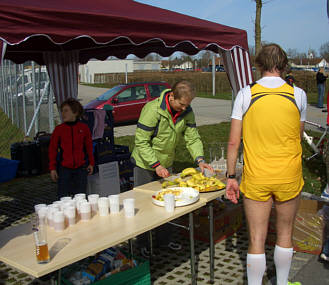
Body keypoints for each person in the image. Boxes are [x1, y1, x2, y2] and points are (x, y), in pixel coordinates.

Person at [226, 43, 307, 285]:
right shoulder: (299, 94)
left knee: (256, 238)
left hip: (257, 177)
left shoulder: (245, 93)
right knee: (285, 234)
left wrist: (231, 176)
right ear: (283, 65)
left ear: (258, 64)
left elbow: (233, 142)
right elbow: (297, 135)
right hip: (289, 176)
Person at [131, 80, 213, 257]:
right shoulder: (152, 110)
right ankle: (143, 243)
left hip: (166, 163)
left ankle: (164, 240)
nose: (184, 108)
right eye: (182, 104)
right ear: (172, 96)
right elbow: (141, 142)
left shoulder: (187, 111)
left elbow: (192, 138)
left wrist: (199, 159)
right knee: (144, 205)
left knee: (168, 203)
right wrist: (156, 165)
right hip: (145, 164)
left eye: (188, 105)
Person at [49, 98, 94, 199]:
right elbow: (53, 150)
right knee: (63, 198)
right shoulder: (59, 130)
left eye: (66, 110)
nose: (63, 114)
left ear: (75, 112)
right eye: (62, 111)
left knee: (80, 198)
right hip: (65, 169)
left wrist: (91, 163)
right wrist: (52, 168)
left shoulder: (84, 128)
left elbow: (89, 147)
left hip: (81, 169)